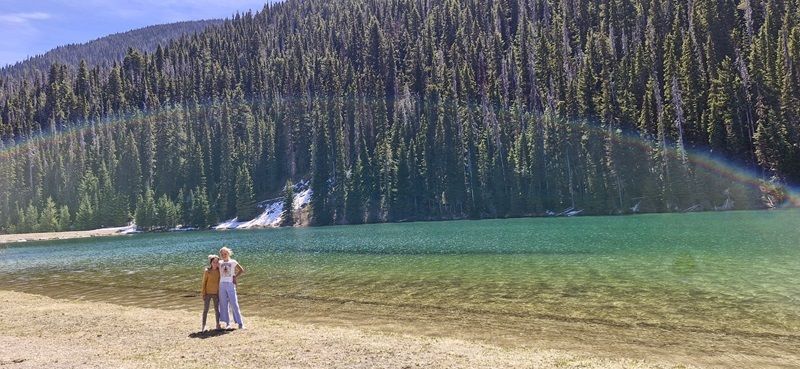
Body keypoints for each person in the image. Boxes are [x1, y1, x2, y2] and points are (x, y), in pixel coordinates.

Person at [218, 246, 245, 329]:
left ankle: (240, 323)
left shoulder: (233, 262)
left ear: (228, 253)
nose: (224, 255)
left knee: (234, 303)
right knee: (223, 304)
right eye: (222, 254)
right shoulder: (219, 262)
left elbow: (241, 270)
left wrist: (235, 277)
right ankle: (227, 323)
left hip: (230, 284)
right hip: (222, 285)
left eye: (225, 253)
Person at [200, 254, 221, 332]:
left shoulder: (219, 271)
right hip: (208, 293)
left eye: (217, 262)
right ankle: (203, 326)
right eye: (214, 262)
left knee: (217, 310)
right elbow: (204, 283)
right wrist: (203, 293)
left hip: (216, 293)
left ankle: (217, 324)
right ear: (211, 263)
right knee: (206, 310)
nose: (215, 264)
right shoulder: (207, 271)